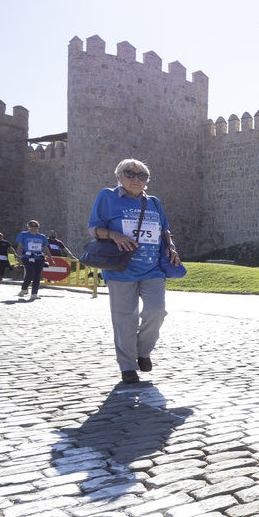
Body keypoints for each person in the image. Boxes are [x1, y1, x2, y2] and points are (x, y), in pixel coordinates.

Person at [87, 159, 183, 384]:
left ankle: (142, 351)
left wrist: (171, 248)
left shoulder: (154, 202)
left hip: (152, 268)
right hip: (121, 268)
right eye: (130, 173)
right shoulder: (107, 196)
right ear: (119, 176)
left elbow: (164, 230)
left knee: (156, 310)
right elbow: (94, 228)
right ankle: (128, 366)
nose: (136, 179)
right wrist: (114, 235)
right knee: (124, 319)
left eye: (142, 176)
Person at [14, 221, 53, 300]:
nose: (34, 227)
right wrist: (18, 256)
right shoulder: (23, 234)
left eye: (35, 226)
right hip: (27, 256)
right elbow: (20, 246)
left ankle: (34, 293)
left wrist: (51, 259)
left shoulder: (42, 236)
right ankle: (24, 288)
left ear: (38, 227)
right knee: (30, 272)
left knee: (37, 275)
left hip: (39, 257)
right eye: (32, 225)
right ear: (28, 226)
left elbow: (46, 248)